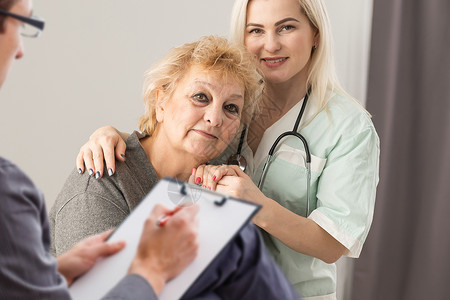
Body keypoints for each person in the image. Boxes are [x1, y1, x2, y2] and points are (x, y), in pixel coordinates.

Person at [76, 0, 380, 299]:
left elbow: (334, 244)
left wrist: (258, 206)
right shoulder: (233, 105)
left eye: (286, 27)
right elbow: (181, 141)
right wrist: (113, 135)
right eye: (256, 30)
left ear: (315, 34)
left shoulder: (348, 127)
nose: (270, 45)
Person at [50, 35, 299, 299]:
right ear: (161, 102)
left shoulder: (215, 183)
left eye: (231, 108)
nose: (215, 118)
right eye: (200, 97)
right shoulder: (101, 182)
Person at [0, 0, 200, 299]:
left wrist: (57, 272)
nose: (20, 51)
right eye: (21, 24)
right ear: (161, 101)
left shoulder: (219, 171)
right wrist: (153, 270)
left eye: (232, 108)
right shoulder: (87, 189)